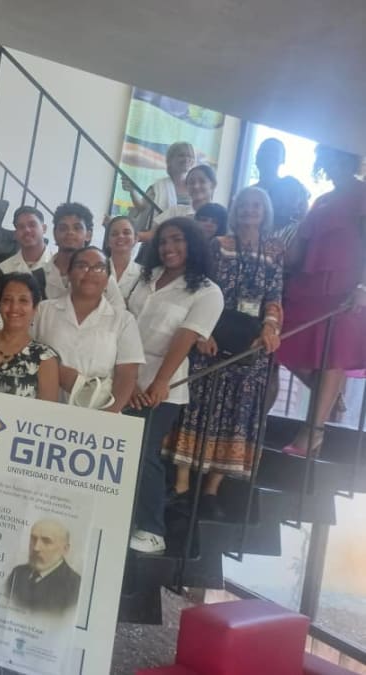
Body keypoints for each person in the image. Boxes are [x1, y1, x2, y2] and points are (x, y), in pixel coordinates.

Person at [167, 188, 282, 519]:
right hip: (214, 335)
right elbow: (203, 288)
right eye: (244, 205)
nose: (249, 211)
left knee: (236, 412)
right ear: (235, 211)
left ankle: (212, 490)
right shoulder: (219, 246)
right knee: (199, 406)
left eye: (256, 206)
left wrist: (270, 328)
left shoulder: (275, 251)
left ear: (265, 211)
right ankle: (182, 484)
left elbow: (275, 294)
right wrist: (204, 332)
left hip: (250, 341)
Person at [126, 218, 224, 554]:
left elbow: (185, 337)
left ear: (193, 243)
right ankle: (121, 516)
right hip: (122, 374)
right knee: (114, 447)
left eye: (177, 240)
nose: (169, 248)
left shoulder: (207, 291)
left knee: (142, 451)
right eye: (164, 242)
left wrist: (159, 382)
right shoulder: (145, 277)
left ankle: (153, 529)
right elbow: (122, 320)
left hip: (160, 383)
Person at [279, 145, 366, 455]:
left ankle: (313, 431)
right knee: (281, 344)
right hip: (311, 284)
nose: (331, 164)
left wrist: (362, 286)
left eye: (338, 158)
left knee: (334, 353)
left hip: (345, 284)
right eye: (327, 158)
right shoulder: (323, 198)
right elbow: (302, 244)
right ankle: (327, 396)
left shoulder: (362, 193)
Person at [33, 247, 144, 411]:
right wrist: (56, 371)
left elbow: (127, 375)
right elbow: (25, 351)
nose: (90, 272)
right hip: (43, 408)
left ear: (107, 279)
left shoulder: (123, 320)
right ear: (69, 274)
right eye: (82, 265)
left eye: (99, 267)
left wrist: (107, 415)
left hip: (99, 412)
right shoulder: (43, 310)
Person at [0, 273, 59, 401]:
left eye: (23, 300)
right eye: (7, 300)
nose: (14, 307)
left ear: (35, 307)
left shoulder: (44, 358)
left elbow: (47, 415)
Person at [39, 202, 124, 305]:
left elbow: (119, 315)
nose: (70, 232)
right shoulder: (39, 275)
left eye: (77, 228)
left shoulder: (103, 277)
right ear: (54, 233)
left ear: (88, 235)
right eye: (63, 228)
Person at [5, 519, 81, 614]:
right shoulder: (18, 572)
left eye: (46, 541)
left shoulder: (75, 586)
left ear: (65, 549)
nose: (36, 548)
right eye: (33, 539)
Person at [124, 141, 196, 237]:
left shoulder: (195, 187)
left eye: (190, 156)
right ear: (170, 160)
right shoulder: (159, 186)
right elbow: (141, 207)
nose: (186, 159)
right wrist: (132, 191)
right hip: (157, 237)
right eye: (181, 155)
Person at [253, 138, 310, 231]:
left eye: (274, 153)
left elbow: (303, 227)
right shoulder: (246, 195)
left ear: (282, 159)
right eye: (264, 152)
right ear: (256, 158)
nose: (268, 156)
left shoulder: (296, 192)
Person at [153, 164, 219, 228]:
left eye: (202, 181)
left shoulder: (219, 215)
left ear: (213, 185)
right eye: (191, 182)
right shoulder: (175, 211)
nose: (196, 186)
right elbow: (152, 234)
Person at [0, 206, 51, 274]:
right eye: (21, 227)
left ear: (44, 229)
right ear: (15, 234)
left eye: (32, 225)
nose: (27, 230)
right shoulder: (4, 269)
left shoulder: (60, 266)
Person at [103, 215, 143, 298]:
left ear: (136, 239)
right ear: (107, 241)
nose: (120, 236)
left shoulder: (142, 273)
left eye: (126, 233)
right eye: (114, 234)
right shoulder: (97, 268)